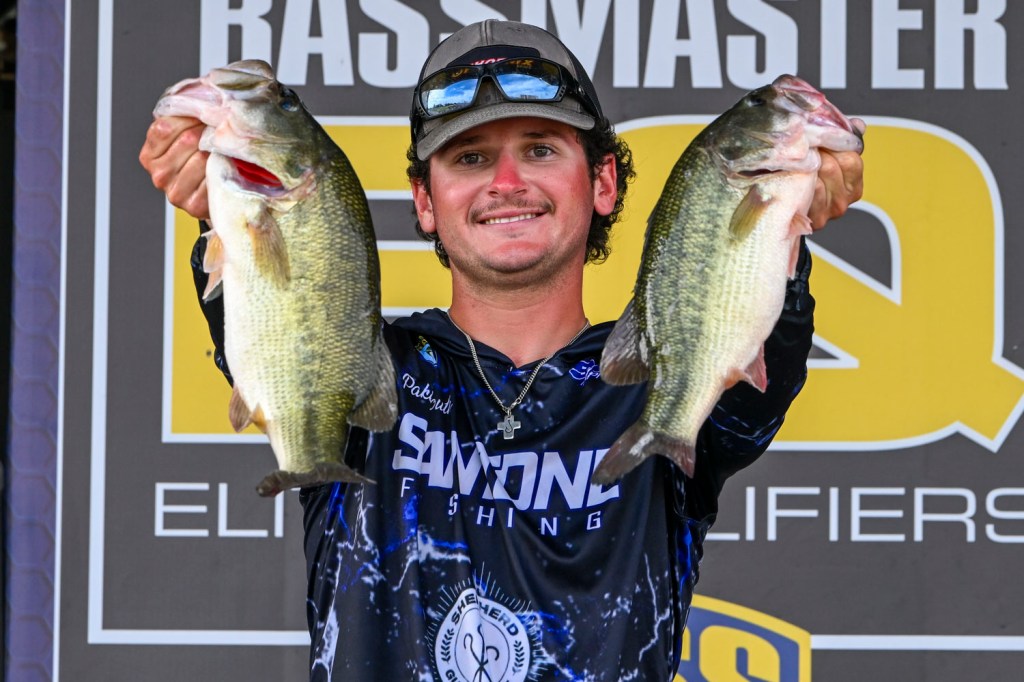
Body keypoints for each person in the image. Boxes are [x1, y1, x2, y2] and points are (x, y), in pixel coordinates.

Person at [140, 20, 863, 682]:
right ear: (425, 201)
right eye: (471, 157)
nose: (507, 184)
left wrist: (780, 219)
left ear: (603, 181)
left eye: (540, 149)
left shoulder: (670, 374)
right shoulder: (352, 361)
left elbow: (759, 352)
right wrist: (224, 202)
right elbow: (271, 299)